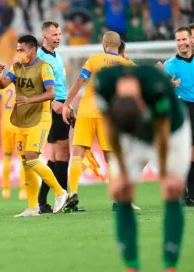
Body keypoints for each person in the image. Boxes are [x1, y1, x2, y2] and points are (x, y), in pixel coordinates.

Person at [95, 64, 190, 272]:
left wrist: (164, 173)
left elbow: (162, 131)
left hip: (172, 132)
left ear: (141, 103)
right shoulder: (102, 84)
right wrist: (120, 173)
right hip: (130, 137)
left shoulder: (156, 84)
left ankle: (170, 265)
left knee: (172, 190)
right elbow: (110, 129)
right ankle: (131, 266)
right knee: (122, 191)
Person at [0, 35, 68, 216]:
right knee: (26, 162)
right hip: (22, 119)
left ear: (32, 50)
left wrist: (29, 99)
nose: (18, 53)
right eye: (17, 50)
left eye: (21, 50)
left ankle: (60, 192)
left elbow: (51, 93)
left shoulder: (44, 68)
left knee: (31, 157)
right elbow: (4, 84)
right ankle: (32, 206)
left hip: (39, 118)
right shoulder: (17, 67)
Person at [61, 31, 134, 209]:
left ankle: (73, 192)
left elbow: (79, 82)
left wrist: (66, 105)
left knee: (77, 153)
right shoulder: (126, 64)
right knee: (110, 158)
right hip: (107, 113)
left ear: (104, 43)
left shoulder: (94, 59)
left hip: (86, 110)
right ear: (119, 45)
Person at [36, 21, 72, 213]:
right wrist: (53, 104)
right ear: (45, 36)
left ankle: (42, 200)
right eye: (54, 35)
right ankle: (63, 198)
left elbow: (59, 85)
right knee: (63, 152)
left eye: (59, 34)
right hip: (51, 108)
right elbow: (37, 86)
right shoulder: (40, 58)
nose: (58, 37)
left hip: (61, 105)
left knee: (56, 155)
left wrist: (67, 103)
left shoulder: (56, 56)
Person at [163, 26, 194, 207]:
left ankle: (191, 193)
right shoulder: (170, 65)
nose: (181, 43)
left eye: (184, 39)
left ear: (191, 40)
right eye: (178, 40)